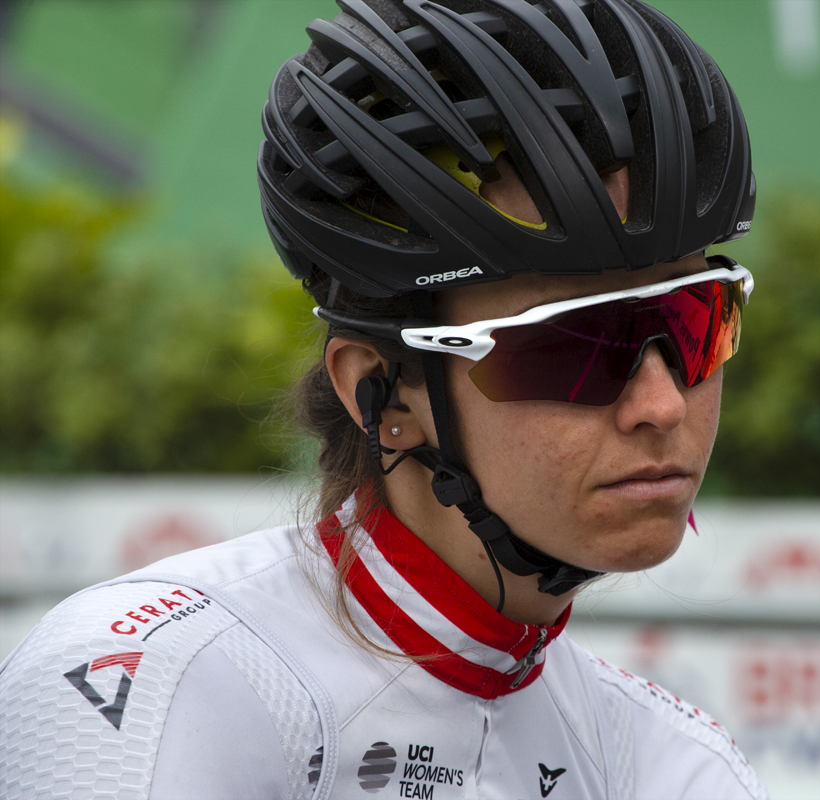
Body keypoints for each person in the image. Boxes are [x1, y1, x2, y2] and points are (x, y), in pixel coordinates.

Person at [0, 0, 762, 797]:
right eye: (575, 346)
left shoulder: (675, 763)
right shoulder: (154, 684)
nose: (663, 404)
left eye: (696, 320)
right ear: (382, 390)